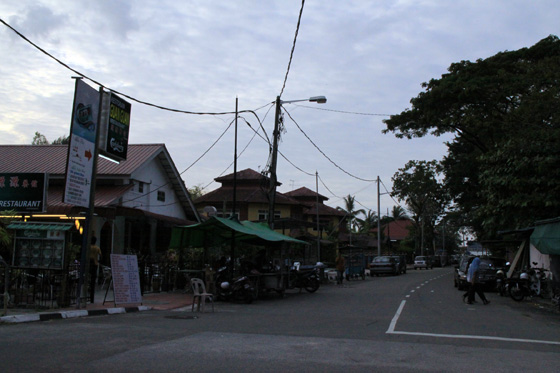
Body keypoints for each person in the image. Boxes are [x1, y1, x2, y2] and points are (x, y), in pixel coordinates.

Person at [89, 236, 102, 303]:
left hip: (89, 263)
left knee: (89, 277)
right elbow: (100, 254)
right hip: (95, 263)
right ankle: (91, 297)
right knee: (93, 279)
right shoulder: (97, 248)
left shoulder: (89, 247)